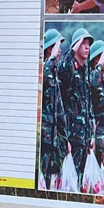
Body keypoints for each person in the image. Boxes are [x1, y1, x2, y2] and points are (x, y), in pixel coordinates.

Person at [58, 28, 94, 179]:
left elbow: (88, 105)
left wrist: (91, 135)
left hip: (84, 139)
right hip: (71, 136)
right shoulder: (69, 66)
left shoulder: (85, 71)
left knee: (81, 181)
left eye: (88, 44)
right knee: (70, 182)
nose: (87, 47)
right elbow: (62, 69)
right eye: (83, 43)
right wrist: (72, 51)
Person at [41, 29, 69, 188]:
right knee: (43, 177)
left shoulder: (55, 72)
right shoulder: (45, 68)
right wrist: (52, 56)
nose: (60, 51)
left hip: (55, 137)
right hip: (45, 136)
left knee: (53, 178)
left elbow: (60, 110)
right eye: (57, 46)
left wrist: (64, 139)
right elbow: (45, 72)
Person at [88, 40, 104, 172]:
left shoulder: (103, 81)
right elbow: (93, 83)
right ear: (97, 58)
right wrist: (99, 65)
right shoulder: (92, 76)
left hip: (102, 138)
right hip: (93, 137)